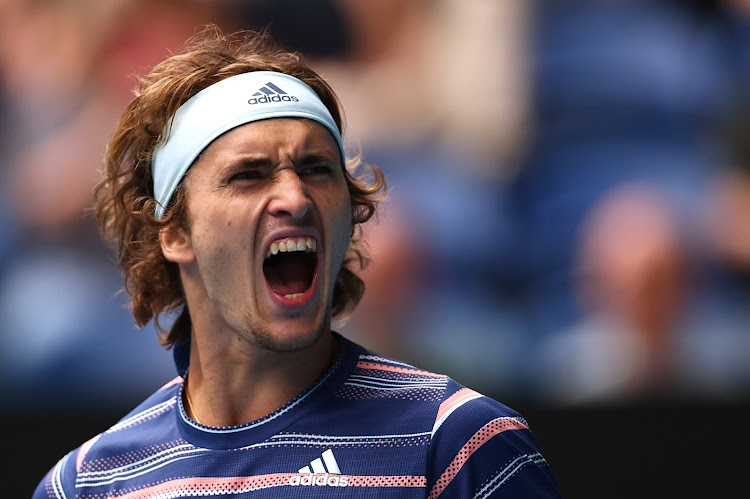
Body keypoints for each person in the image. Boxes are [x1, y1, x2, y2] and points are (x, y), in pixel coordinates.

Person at [33, 27, 561, 498]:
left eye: (315, 169)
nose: (296, 197)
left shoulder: (458, 445)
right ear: (174, 230)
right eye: (249, 174)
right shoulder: (84, 485)